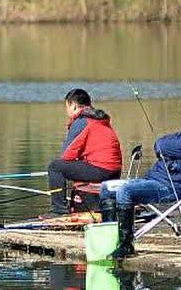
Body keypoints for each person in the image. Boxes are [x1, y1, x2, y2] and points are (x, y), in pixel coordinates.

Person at [99, 94, 181, 259]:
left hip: (168, 188)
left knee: (125, 191)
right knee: (106, 188)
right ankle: (109, 241)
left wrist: (166, 153)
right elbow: (164, 146)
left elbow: (160, 145)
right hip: (154, 180)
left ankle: (126, 245)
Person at [45, 88, 123, 217]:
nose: (67, 111)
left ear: (74, 105)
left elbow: (66, 156)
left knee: (55, 168)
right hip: (114, 171)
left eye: (67, 107)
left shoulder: (82, 122)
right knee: (62, 168)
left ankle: (58, 211)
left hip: (102, 170)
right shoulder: (98, 119)